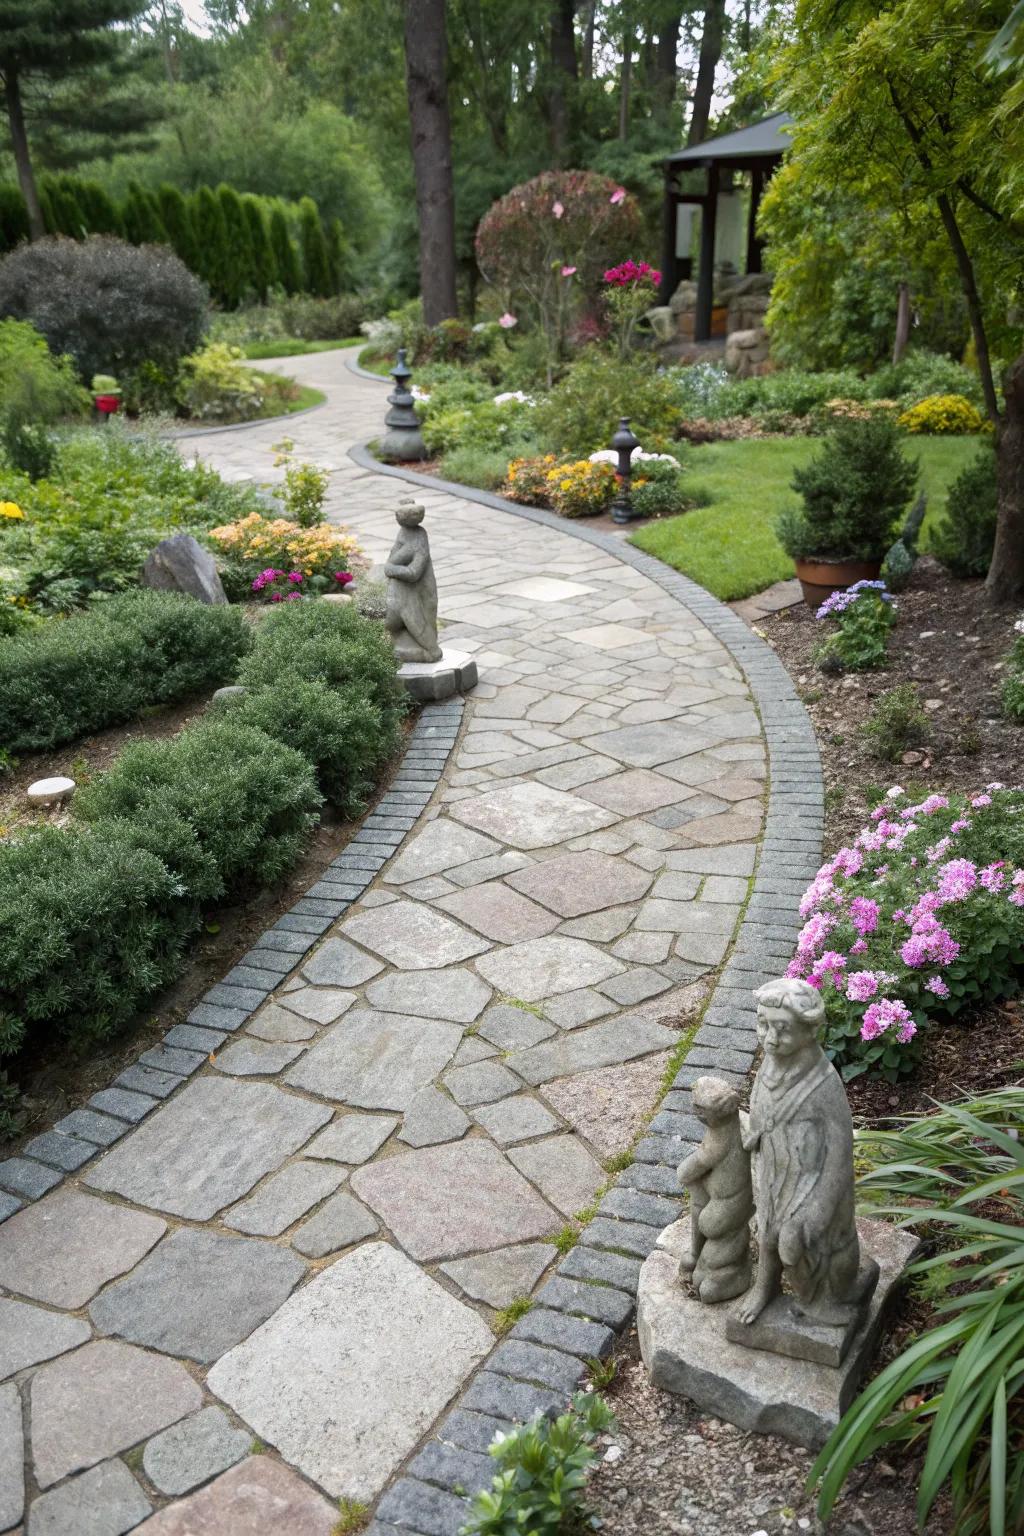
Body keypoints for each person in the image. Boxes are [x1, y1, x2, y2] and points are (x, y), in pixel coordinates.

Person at [734, 977, 877, 1328]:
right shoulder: (769, 1067)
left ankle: (818, 1301)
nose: (770, 1038)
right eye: (763, 1024)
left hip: (812, 1183)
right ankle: (764, 1287)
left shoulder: (823, 1082)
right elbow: (761, 1110)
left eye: (782, 1029)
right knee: (767, 1232)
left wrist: (822, 1206)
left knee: (797, 1243)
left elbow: (841, 1150)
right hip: (773, 1171)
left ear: (809, 1031)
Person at [384, 500, 441, 663]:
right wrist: (390, 567)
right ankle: (414, 645)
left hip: (418, 591)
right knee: (403, 608)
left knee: (418, 617)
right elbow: (393, 559)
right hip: (403, 589)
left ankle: (428, 650)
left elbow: (414, 572)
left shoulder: (418, 537)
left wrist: (391, 569)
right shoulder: (404, 533)